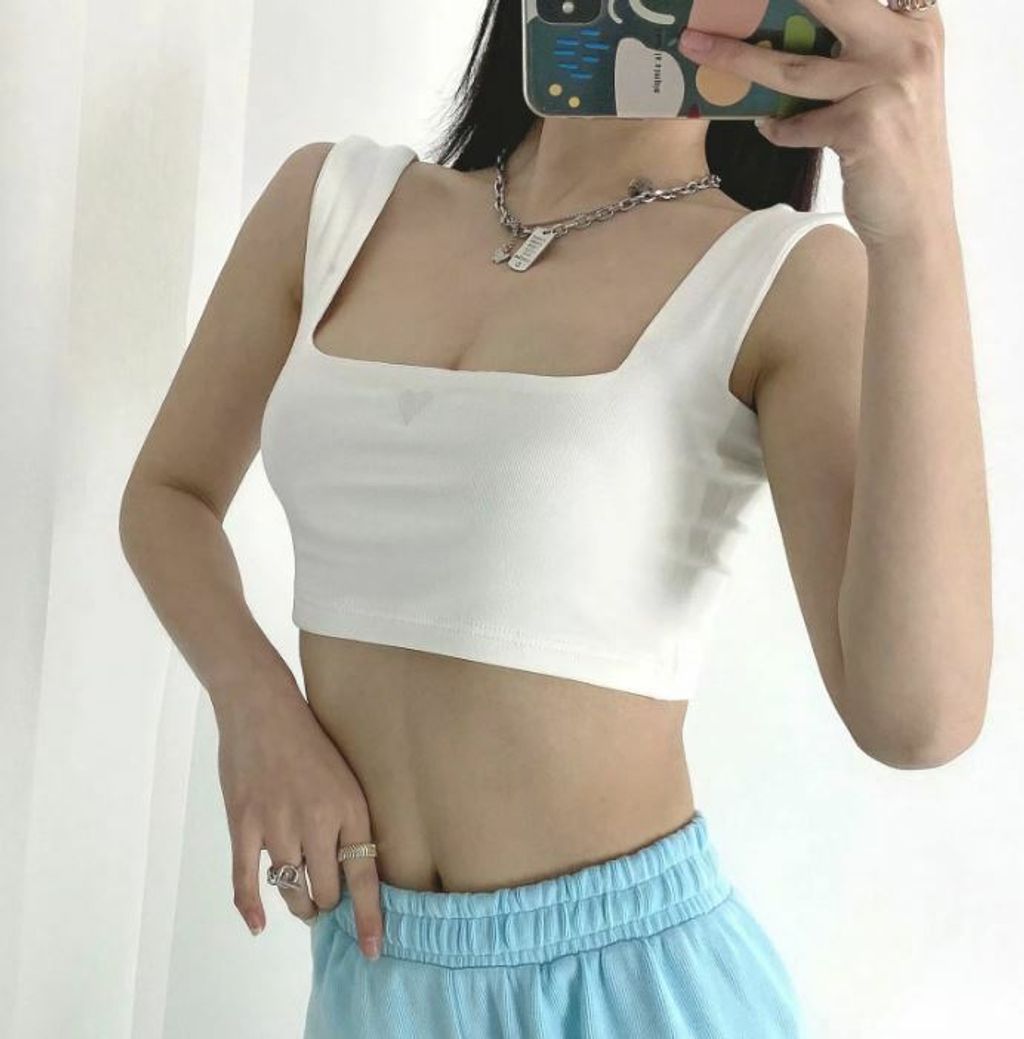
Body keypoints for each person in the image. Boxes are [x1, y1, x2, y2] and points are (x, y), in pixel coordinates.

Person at [119, 0, 988, 1035]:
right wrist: (257, 707)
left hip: (632, 991)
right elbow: (168, 494)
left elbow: (917, 719)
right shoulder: (331, 205)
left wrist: (917, 230)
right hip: (373, 975)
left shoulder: (782, 276)